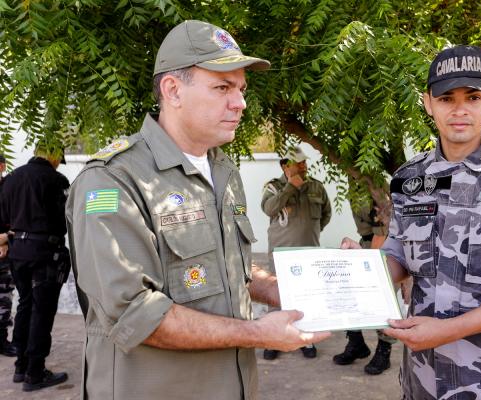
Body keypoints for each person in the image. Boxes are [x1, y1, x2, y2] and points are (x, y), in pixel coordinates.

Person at [65, 20, 330, 400]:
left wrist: (278, 290)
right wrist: (258, 333)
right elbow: (135, 314)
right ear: (173, 90)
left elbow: (227, 267)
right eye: (222, 87)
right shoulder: (112, 180)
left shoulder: (223, 170)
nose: (239, 102)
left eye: (240, 88)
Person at [342, 45, 481, 399]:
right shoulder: (408, 179)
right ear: (427, 103)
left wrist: (450, 329)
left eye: (473, 96)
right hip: (426, 379)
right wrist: (358, 269)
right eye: (447, 98)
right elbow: (399, 256)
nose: (460, 109)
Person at [0, 143, 71, 391]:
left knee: (26, 305)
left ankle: (21, 366)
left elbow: (3, 219)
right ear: (52, 155)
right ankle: (35, 372)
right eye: (57, 158)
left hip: (17, 253)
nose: (57, 163)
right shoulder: (56, 180)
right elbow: (66, 220)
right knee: (42, 310)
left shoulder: (10, 179)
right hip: (45, 253)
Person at [261, 146, 332, 360]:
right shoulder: (273, 187)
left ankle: (306, 338)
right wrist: (290, 187)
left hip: (308, 250)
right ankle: (274, 339)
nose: (303, 166)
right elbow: (269, 209)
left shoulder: (316, 187)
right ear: (285, 166)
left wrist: (310, 232)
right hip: (281, 252)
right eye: (298, 163)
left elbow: (326, 214)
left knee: (307, 296)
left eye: (304, 162)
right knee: (277, 294)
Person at [333, 204, 397, 375]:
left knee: (382, 302)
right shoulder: (354, 186)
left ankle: (384, 351)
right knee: (352, 296)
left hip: (383, 247)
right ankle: (357, 344)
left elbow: (382, 231)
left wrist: (372, 260)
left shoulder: (374, 186)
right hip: (365, 243)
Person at [0, 154, 17, 357]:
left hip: (5, 253)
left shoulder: (8, 188)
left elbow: (16, 216)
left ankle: (1, 340)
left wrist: (5, 239)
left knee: (4, 298)